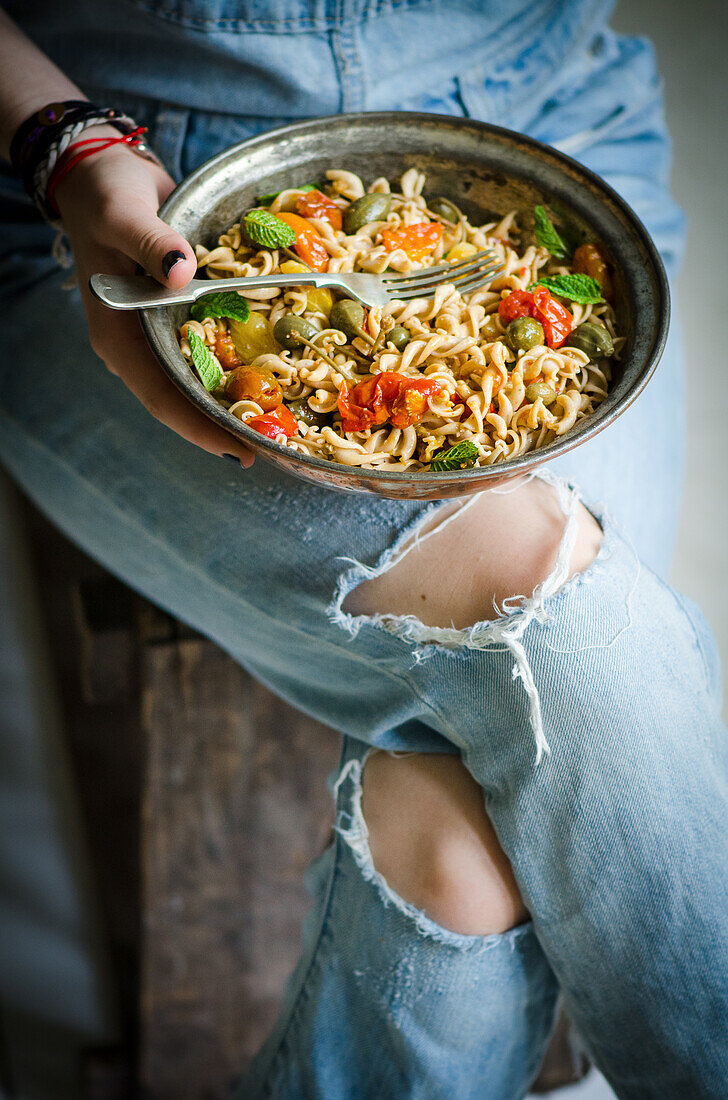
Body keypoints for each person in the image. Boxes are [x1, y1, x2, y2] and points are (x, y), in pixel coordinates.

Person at [1, 2, 726, 1097]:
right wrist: (56, 137)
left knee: (454, 830)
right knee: (567, 637)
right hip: (104, 203)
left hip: (539, 147)